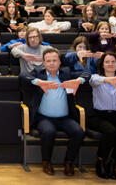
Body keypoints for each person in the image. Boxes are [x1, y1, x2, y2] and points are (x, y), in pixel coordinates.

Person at [19, 48, 88, 176]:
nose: (51, 63)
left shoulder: (66, 73)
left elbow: (86, 74)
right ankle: (46, 162)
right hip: (44, 118)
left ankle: (69, 162)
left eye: (54, 60)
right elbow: (23, 76)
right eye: (48, 61)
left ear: (59, 62)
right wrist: (38, 82)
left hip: (64, 118)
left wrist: (78, 81)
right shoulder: (39, 73)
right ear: (44, 63)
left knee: (78, 132)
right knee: (49, 132)